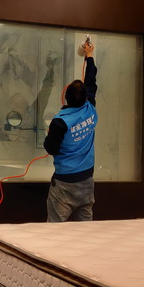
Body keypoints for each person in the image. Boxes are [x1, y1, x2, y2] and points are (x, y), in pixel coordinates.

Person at [43, 39, 98, 222]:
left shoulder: (60, 122)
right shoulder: (90, 108)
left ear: (65, 97)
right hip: (87, 180)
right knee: (85, 230)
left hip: (65, 183)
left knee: (55, 229)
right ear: (85, 97)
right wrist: (89, 54)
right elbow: (91, 80)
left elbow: (50, 148)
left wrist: (49, 133)